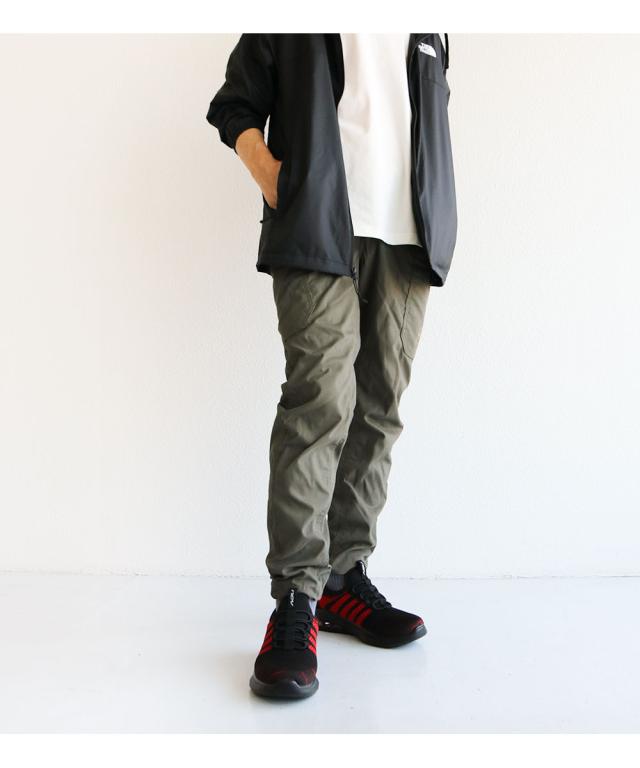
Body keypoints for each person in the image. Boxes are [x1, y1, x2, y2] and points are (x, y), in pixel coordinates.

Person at [207, 33, 457, 700]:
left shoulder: (433, 24)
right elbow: (235, 102)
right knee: (319, 402)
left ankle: (344, 579)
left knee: (380, 408)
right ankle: (296, 598)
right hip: (317, 223)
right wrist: (273, 177)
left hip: (408, 237)